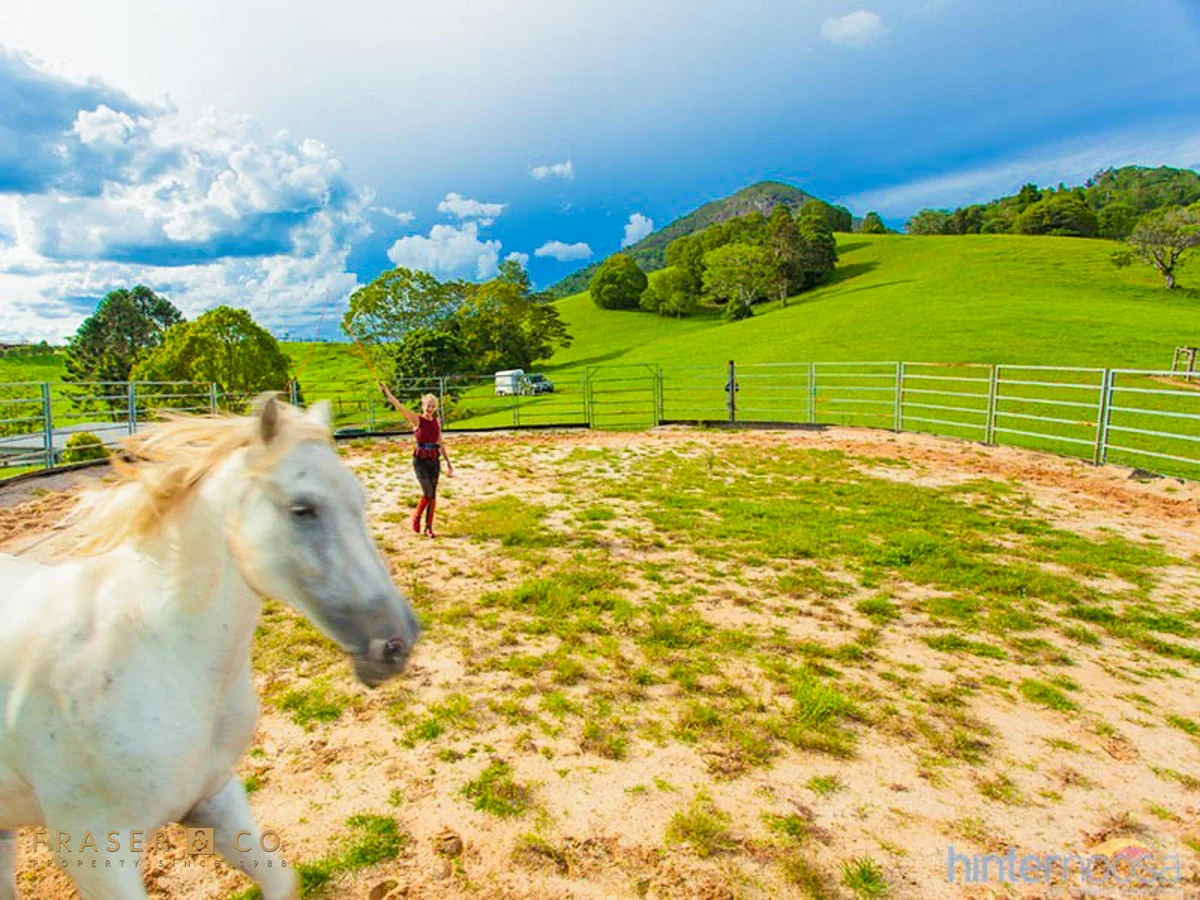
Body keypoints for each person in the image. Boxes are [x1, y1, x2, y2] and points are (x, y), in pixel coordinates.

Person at [378, 384, 453, 537]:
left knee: (433, 495)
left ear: (436, 408)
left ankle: (429, 527)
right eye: (427, 405)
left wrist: (448, 461)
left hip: (434, 460)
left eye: (432, 406)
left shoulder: (436, 422)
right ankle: (417, 517)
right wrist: (387, 392)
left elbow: (440, 442)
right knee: (428, 492)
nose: (430, 408)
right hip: (420, 461)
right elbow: (399, 407)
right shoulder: (417, 420)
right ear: (423, 405)